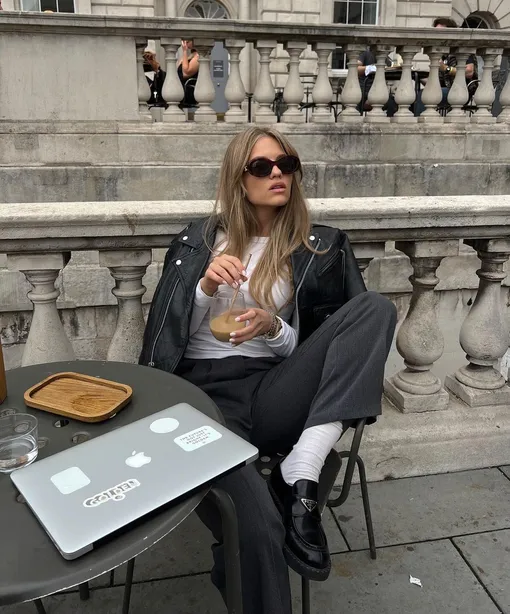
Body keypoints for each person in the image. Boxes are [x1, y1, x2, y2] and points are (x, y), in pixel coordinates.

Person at [139, 127, 397, 614]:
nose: (277, 173)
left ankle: (301, 466)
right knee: (255, 525)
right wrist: (205, 290)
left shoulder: (321, 246)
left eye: (286, 163)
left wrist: (274, 327)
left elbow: (330, 353)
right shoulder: (197, 242)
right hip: (203, 398)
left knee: (376, 309)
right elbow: (164, 339)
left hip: (273, 387)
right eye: (262, 166)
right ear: (239, 178)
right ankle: (271, 515)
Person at [178, 39, 199, 108]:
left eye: (187, 42)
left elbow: (185, 72)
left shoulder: (197, 56)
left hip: (187, 89)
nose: (185, 44)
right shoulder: (191, 55)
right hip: (180, 86)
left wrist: (184, 51)